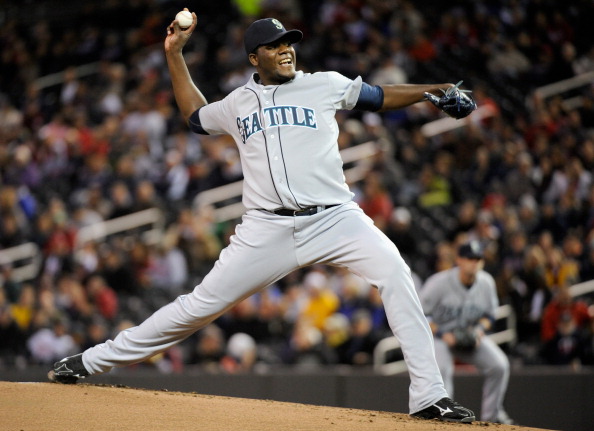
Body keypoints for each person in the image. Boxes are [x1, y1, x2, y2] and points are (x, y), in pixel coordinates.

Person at [48, 11, 475, 423]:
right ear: (254, 58)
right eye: (274, 46)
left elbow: (380, 96)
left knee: (396, 273)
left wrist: (434, 90)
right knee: (197, 308)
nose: (286, 49)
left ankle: (429, 396)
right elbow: (195, 117)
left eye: (288, 43)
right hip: (267, 227)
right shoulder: (238, 103)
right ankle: (91, 361)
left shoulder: (324, 84)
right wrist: (175, 54)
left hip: (335, 219)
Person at [419, 241, 514, 424]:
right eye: (470, 258)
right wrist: (443, 334)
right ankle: (445, 414)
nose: (474, 263)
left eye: (478, 259)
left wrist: (479, 330)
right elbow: (421, 315)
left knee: (500, 365)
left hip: (470, 336)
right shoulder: (438, 282)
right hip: (440, 338)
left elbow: (490, 315)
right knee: (443, 368)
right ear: (459, 260)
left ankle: (493, 415)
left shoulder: (486, 282)